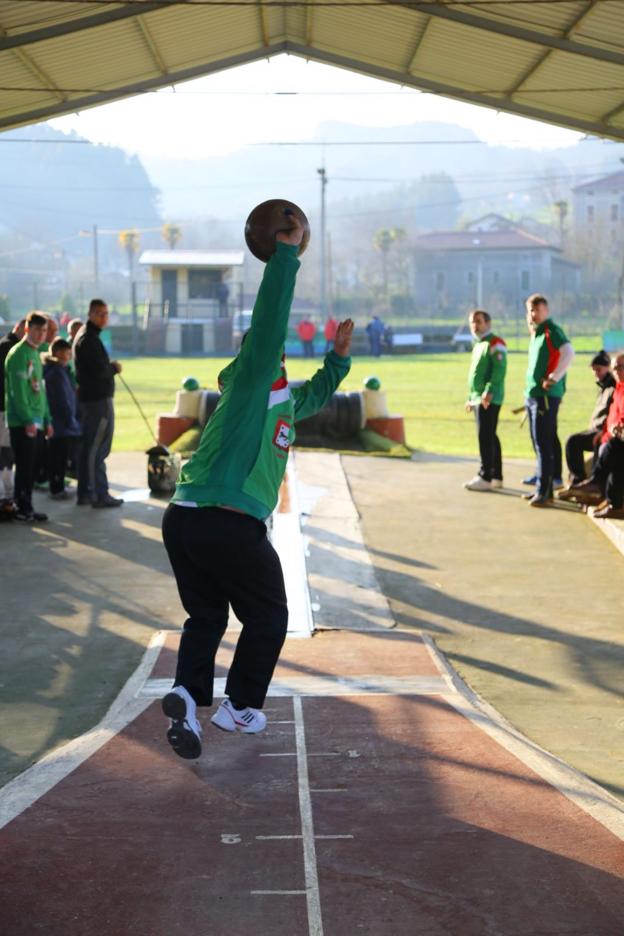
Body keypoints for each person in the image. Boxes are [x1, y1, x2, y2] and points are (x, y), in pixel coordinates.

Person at [160, 217, 353, 760]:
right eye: (273, 353)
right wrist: (285, 256)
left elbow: (310, 399)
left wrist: (337, 360)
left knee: (207, 618)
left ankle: (186, 699)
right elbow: (270, 321)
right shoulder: (250, 379)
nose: (280, 358)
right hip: (226, 520)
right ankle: (239, 705)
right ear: (262, 355)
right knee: (269, 616)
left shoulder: (277, 399)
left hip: (186, 520)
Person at [558, 351, 624, 518]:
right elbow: (612, 417)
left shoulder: (614, 387)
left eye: (621, 367)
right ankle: (601, 495)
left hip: (618, 438)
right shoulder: (618, 388)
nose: (616, 371)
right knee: (604, 445)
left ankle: (596, 486)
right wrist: (607, 432)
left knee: (612, 447)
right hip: (613, 435)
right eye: (615, 368)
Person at [524, 294, 575, 507]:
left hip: (545, 397)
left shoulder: (551, 331)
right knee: (539, 442)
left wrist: (554, 378)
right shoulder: (537, 333)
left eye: (537, 309)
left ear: (546, 310)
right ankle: (543, 486)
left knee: (543, 443)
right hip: (534, 395)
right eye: (530, 310)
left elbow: (569, 353)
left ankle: (545, 491)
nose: (533, 314)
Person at [73, 299, 123, 508]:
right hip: (97, 401)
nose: (104, 317)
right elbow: (98, 371)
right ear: (91, 314)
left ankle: (86, 491)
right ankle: (98, 494)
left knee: (90, 447)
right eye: (100, 314)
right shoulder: (89, 339)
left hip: (93, 400)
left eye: (106, 313)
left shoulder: (89, 336)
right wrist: (114, 368)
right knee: (98, 449)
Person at [4, 311, 52, 522]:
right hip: (22, 422)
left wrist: (47, 419)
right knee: (23, 466)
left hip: (37, 420)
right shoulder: (17, 354)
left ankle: (28, 505)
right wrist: (27, 420)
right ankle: (22, 507)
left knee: (32, 466)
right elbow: (17, 392)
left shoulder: (36, 353)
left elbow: (40, 390)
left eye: (43, 330)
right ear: (26, 329)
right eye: (36, 330)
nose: (41, 334)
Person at [463, 309, 507, 492]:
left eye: (478, 321)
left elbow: (499, 369)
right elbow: (476, 374)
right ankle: (496, 475)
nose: (475, 325)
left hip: (488, 398)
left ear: (488, 323)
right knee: (490, 436)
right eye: (472, 322)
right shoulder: (478, 344)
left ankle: (485, 475)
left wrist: (489, 391)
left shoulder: (495, 342)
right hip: (477, 398)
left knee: (485, 436)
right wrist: (470, 398)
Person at [564, 350, 616, 486]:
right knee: (572, 441)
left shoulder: (614, 386)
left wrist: (603, 431)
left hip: (605, 431)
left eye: (599, 369)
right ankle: (579, 481)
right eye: (594, 370)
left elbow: (613, 414)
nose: (596, 373)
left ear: (608, 367)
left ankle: (585, 483)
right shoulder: (603, 386)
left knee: (574, 441)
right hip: (596, 429)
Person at [43, 337, 81, 500]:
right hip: (60, 423)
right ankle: (57, 489)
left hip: (61, 422)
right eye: (67, 352)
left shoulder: (60, 370)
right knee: (58, 457)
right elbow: (62, 399)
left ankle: (58, 486)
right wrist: (70, 419)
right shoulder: (56, 373)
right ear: (58, 353)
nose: (70, 356)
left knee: (59, 456)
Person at [0, 319, 26, 508]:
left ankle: (7, 496)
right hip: (3, 409)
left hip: (6, 408)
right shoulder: (9, 349)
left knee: (6, 452)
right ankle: (6, 497)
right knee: (5, 452)